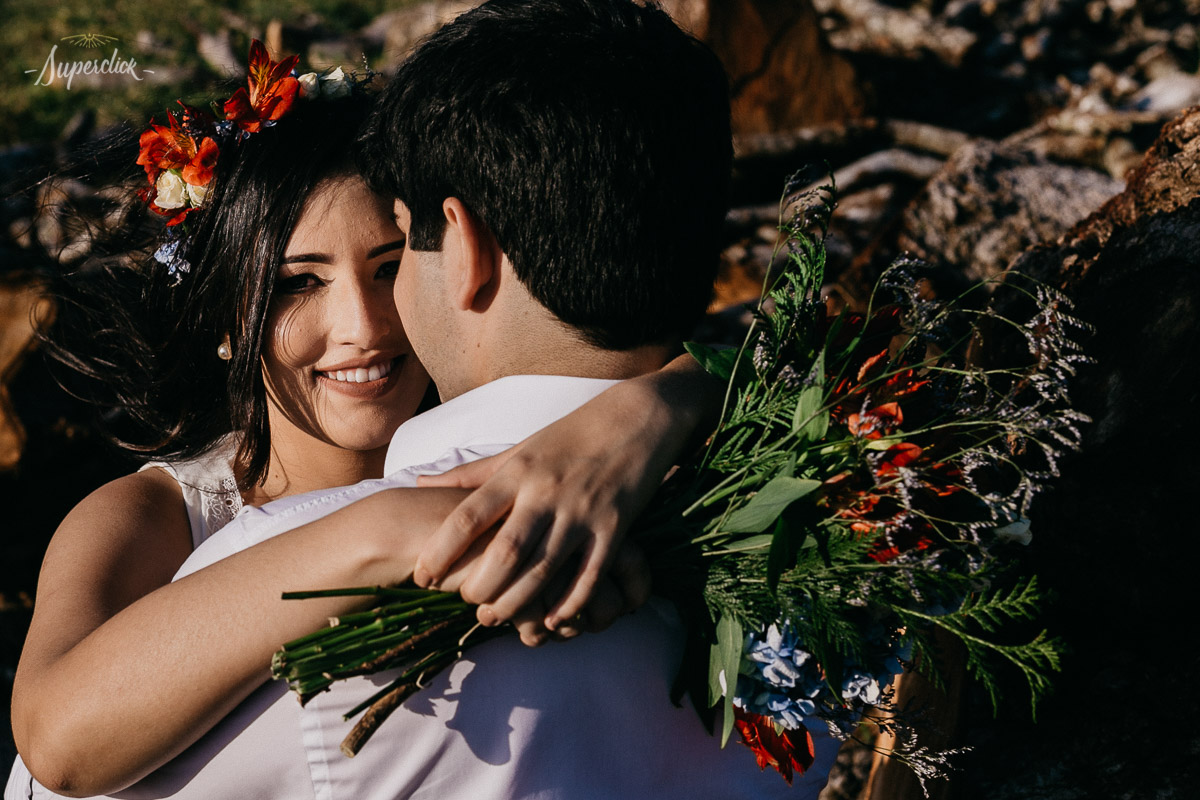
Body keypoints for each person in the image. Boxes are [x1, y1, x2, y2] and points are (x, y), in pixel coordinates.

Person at [145, 1, 842, 796]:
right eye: (301, 282)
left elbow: (52, 777)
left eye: (399, 243)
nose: (369, 322)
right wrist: (678, 393)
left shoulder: (300, 590)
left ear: (465, 247)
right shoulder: (840, 521)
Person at [5, 42, 721, 800]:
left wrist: (662, 401)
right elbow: (57, 745)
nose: (363, 326)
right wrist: (392, 528)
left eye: (388, 268)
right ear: (221, 316)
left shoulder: (541, 461)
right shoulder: (149, 518)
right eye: (297, 285)